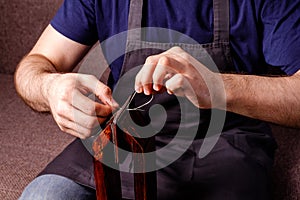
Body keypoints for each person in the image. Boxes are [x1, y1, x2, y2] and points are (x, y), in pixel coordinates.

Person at [16, 0, 300, 199]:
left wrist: (217, 85)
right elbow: (36, 64)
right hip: (121, 141)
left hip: (226, 142)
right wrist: (49, 87)